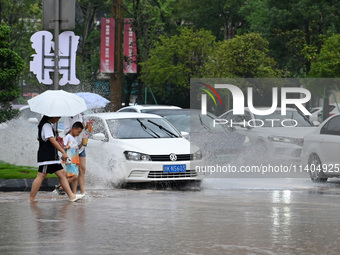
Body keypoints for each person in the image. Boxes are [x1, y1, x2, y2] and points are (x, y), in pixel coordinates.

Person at [29, 116, 84, 202]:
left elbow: (45, 138)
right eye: (58, 117)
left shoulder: (47, 125)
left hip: (52, 157)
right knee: (41, 176)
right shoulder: (46, 125)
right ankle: (31, 198)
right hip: (47, 156)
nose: (58, 119)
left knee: (62, 174)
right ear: (52, 117)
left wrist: (56, 135)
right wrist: (63, 152)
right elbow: (52, 140)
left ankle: (71, 196)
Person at [54, 121, 84, 194]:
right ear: (73, 129)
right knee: (75, 177)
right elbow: (63, 146)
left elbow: (77, 148)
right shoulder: (68, 137)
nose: (78, 134)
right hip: (70, 160)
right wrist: (67, 146)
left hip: (75, 160)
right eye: (78, 132)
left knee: (73, 177)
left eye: (80, 132)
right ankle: (61, 186)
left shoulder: (74, 138)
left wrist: (82, 143)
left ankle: (73, 193)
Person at [64, 114, 89, 195]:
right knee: (73, 173)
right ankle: (63, 187)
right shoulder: (68, 117)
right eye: (78, 131)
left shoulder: (80, 115)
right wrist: (74, 129)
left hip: (79, 147)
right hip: (72, 150)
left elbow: (83, 128)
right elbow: (66, 133)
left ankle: (82, 192)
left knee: (82, 169)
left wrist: (87, 126)